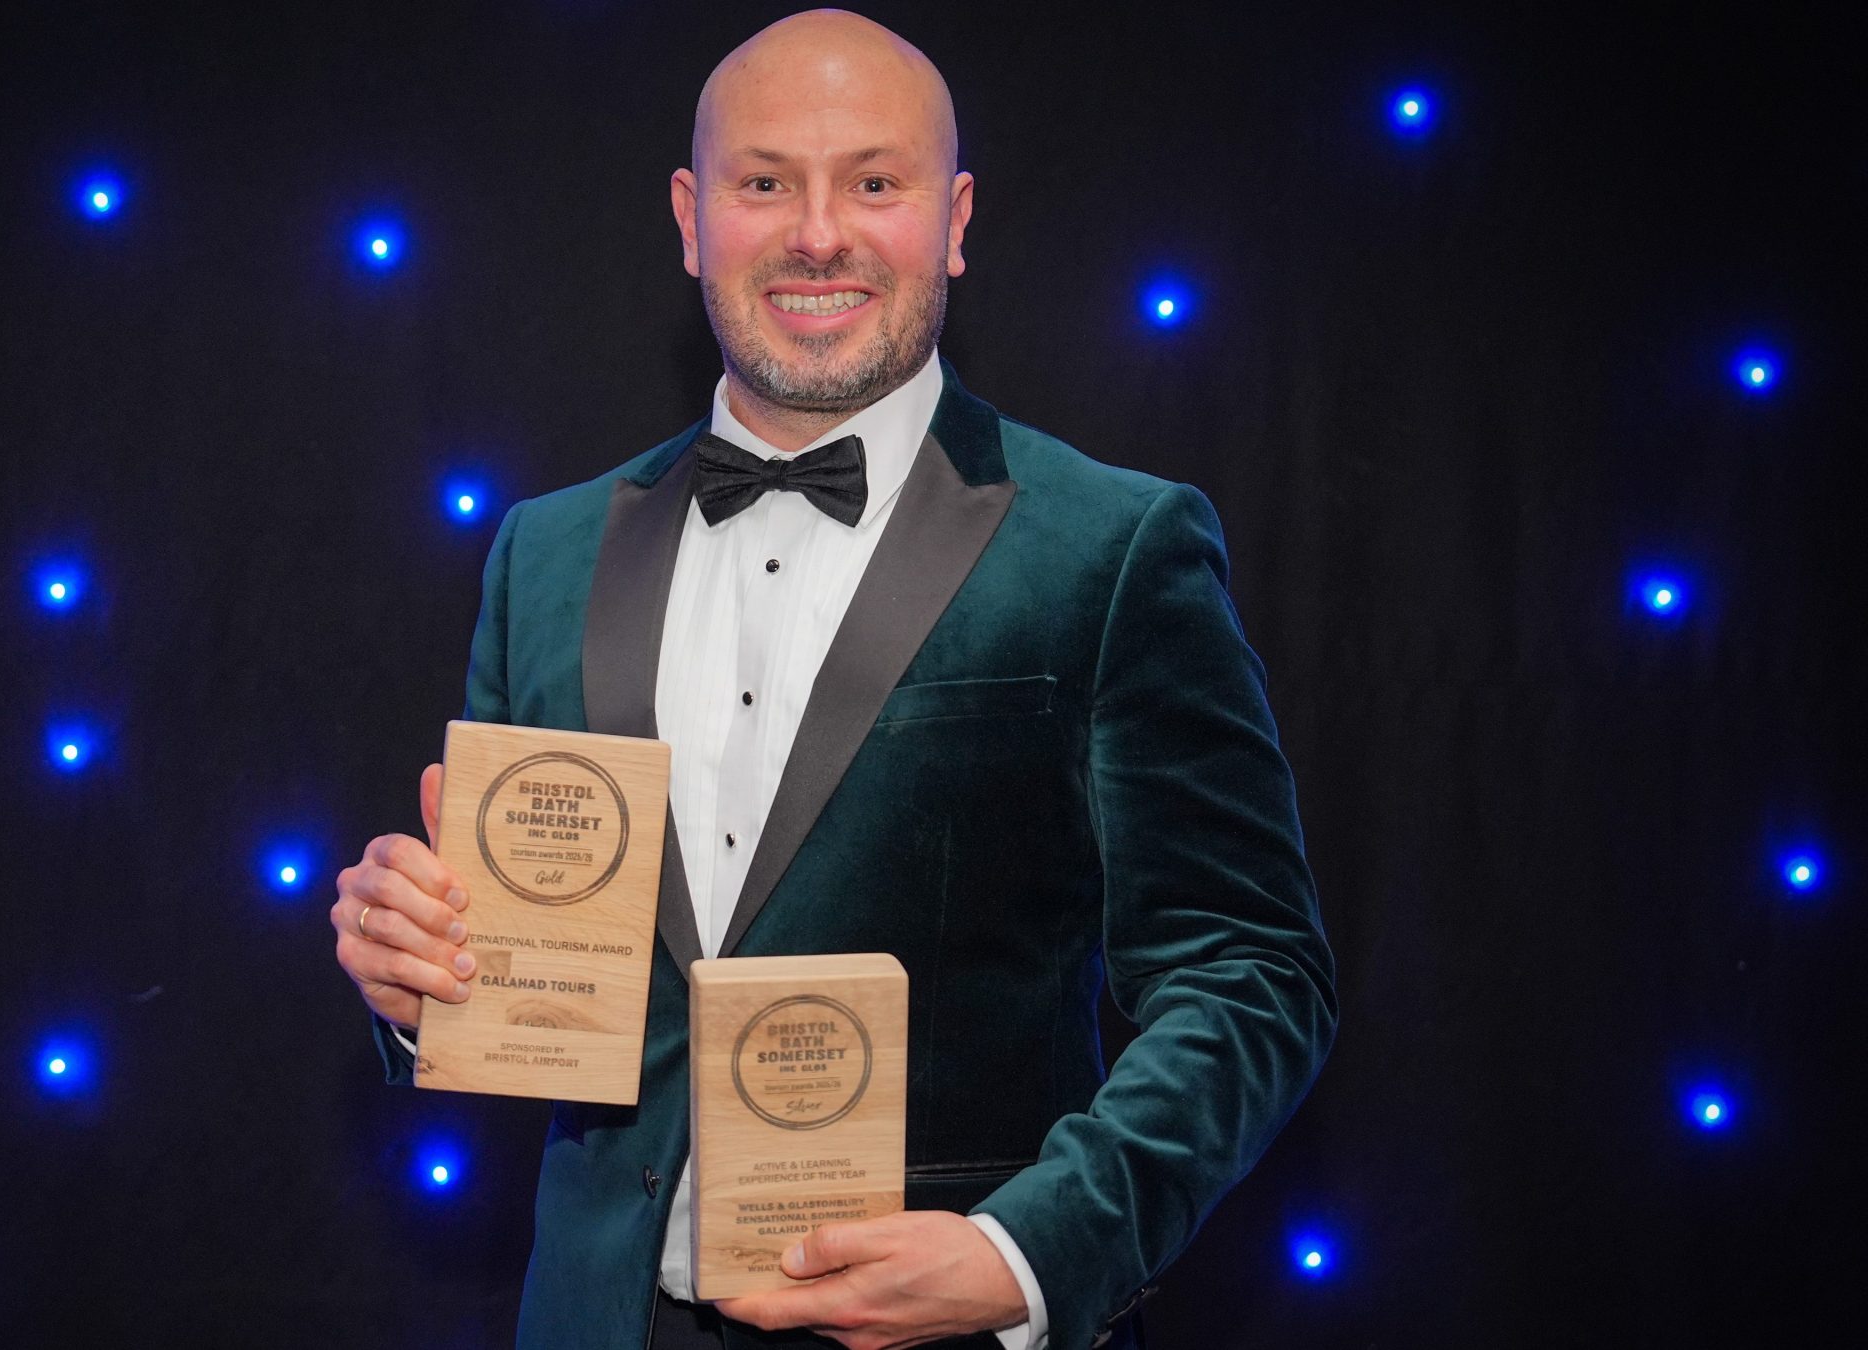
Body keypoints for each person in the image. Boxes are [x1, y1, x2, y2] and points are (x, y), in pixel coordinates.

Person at [331, 10, 1337, 1348]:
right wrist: (421, 979)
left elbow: (1253, 970)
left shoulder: (1115, 544)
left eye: (874, 181)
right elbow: (538, 983)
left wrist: (1027, 1251)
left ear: (954, 217)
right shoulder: (544, 550)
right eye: (765, 183)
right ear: (692, 218)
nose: (818, 232)